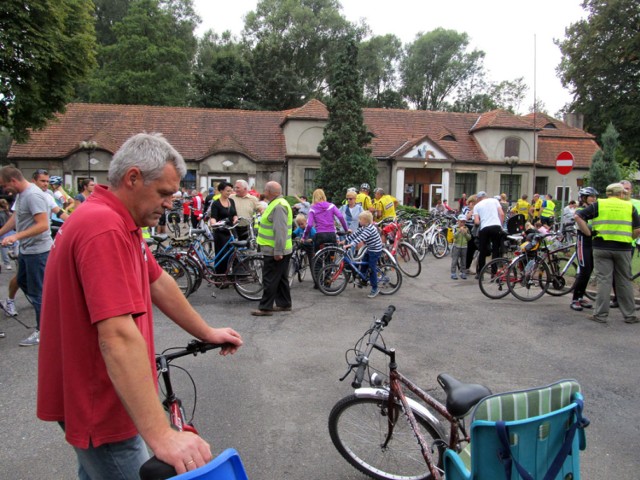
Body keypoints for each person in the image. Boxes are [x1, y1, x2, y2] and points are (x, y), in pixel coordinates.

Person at [36, 133, 243, 477]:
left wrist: (206, 331)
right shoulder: (104, 227)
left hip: (104, 391)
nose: (169, 203)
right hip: (100, 397)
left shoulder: (118, 220)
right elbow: (117, 336)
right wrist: (162, 435)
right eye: (163, 193)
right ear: (132, 178)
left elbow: (158, 281)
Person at [0, 166, 52, 346]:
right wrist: (2, 232)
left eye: (5, 185)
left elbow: (43, 225)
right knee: (22, 281)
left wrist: (15, 236)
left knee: (38, 294)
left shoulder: (33, 195)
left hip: (38, 252)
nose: (5, 190)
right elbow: (15, 218)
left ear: (13, 181)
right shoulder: (22, 195)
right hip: (26, 251)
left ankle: (43, 331)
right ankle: (48, 311)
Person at [574, 183, 640, 324]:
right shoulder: (629, 206)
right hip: (623, 248)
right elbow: (638, 229)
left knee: (604, 280)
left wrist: (588, 233)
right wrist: (630, 238)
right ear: (621, 194)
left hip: (601, 247)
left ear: (608, 193)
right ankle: (630, 315)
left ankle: (600, 315)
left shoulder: (600, 204)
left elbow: (578, 216)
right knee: (624, 280)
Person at [252, 181, 293, 316]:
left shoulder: (278, 206)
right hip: (280, 248)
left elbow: (279, 230)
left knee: (270, 279)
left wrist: (278, 251)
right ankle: (284, 303)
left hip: (275, 249)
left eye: (265, 189)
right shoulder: (277, 204)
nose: (264, 191)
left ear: (270, 192)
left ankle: (265, 307)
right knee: (281, 278)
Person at [303, 189, 350, 286]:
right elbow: (340, 217)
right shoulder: (331, 206)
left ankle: (318, 283)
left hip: (320, 236)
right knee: (330, 260)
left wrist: (304, 237)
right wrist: (346, 229)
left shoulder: (313, 208)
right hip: (331, 235)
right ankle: (327, 282)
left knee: (318, 260)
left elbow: (309, 225)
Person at [342, 211, 384, 298]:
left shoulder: (370, 229)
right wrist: (345, 241)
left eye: (360, 219)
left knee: (372, 268)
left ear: (365, 220)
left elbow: (361, 238)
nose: (359, 221)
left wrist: (350, 244)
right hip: (370, 249)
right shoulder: (364, 227)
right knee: (363, 264)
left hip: (375, 250)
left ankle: (375, 288)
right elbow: (356, 234)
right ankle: (364, 280)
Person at [570, 187, 598, 311]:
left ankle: (581, 297)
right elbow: (585, 227)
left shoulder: (593, 210)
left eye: (595, 197)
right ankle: (575, 299)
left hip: (592, 243)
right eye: (591, 196)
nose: (594, 199)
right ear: (583, 198)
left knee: (589, 270)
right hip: (583, 243)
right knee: (584, 270)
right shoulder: (581, 210)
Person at [473, 191, 504, 278]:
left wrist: (479, 221)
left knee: (482, 250)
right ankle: (494, 273)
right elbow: (501, 214)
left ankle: (480, 273)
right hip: (496, 226)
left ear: (479, 198)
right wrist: (500, 225)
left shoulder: (477, 206)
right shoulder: (495, 201)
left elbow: (476, 221)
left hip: (485, 228)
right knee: (495, 250)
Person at [209, 181, 238, 274]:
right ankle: (220, 275)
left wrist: (235, 219)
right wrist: (214, 224)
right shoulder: (216, 203)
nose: (229, 193)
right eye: (227, 191)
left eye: (230, 191)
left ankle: (232, 273)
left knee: (233, 253)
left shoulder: (231, 201)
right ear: (221, 191)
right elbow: (213, 217)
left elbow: (234, 214)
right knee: (222, 254)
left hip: (231, 230)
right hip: (220, 231)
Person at [451, 214, 471, 280]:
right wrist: (459, 231)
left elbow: (469, 238)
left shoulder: (466, 229)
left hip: (464, 247)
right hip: (456, 246)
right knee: (455, 260)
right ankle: (453, 273)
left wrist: (465, 234)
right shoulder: (455, 228)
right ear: (458, 221)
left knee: (463, 260)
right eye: (461, 221)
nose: (462, 223)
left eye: (464, 222)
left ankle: (463, 272)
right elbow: (454, 236)